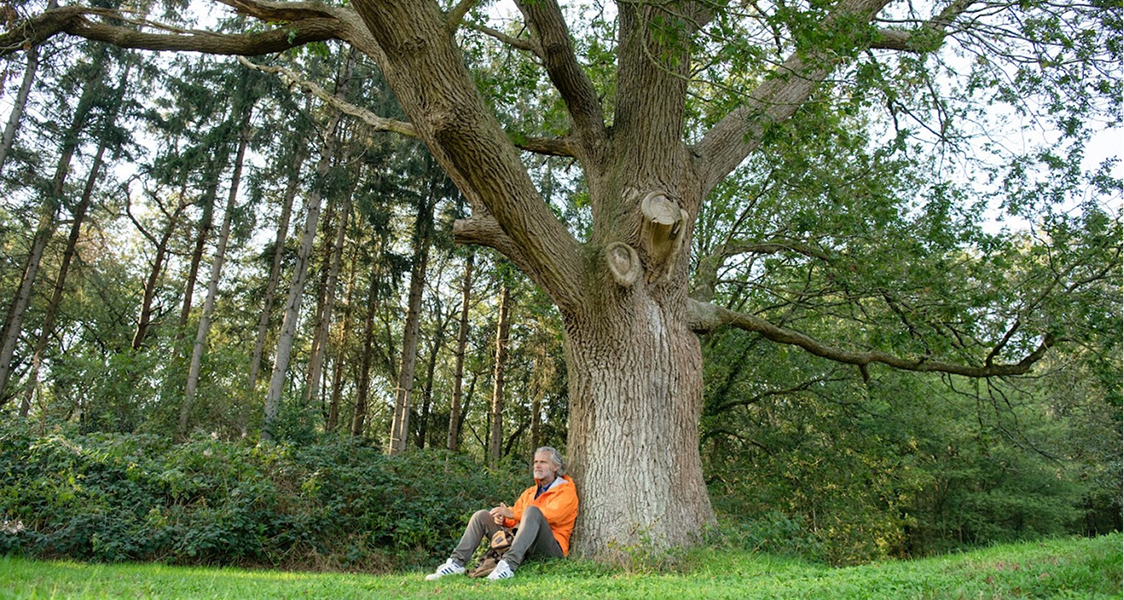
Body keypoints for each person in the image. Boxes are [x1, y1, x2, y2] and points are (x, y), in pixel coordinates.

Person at [425, 446, 579, 581]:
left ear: (555, 467)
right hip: (524, 544)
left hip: (550, 547)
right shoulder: (530, 492)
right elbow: (516, 519)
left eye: (543, 462)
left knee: (532, 511)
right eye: (535, 462)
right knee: (481, 516)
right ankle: (456, 563)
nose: (537, 465)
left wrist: (513, 514)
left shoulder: (566, 491)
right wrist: (503, 518)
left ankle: (507, 566)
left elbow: (551, 516)